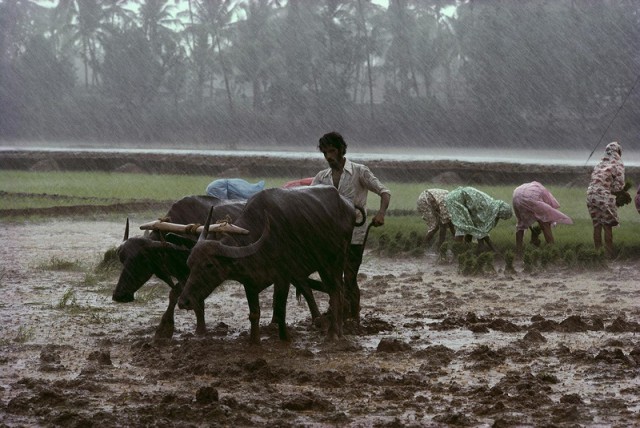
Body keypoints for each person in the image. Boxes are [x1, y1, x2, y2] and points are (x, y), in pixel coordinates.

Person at [311, 131, 391, 322]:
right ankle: (336, 310)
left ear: (340, 151)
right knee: (332, 276)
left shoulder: (359, 171)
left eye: (332, 151)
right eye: (325, 153)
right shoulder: (322, 177)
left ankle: (354, 316)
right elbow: (308, 199)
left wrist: (380, 214)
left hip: (355, 232)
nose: (329, 157)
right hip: (330, 235)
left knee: (350, 276)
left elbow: (384, 192)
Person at [444, 186, 513, 252]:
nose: (499, 218)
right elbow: (480, 229)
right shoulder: (487, 209)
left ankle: (465, 248)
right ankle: (452, 252)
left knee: (469, 225)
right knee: (462, 227)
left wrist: (485, 245)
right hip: (455, 200)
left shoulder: (492, 205)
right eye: (501, 216)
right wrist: (492, 248)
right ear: (501, 212)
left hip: (458, 198)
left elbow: (477, 228)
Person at [512, 181, 573, 255]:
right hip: (530, 197)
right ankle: (552, 248)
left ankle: (519, 250)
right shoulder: (544, 192)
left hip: (516, 196)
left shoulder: (535, 187)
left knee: (521, 224)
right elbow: (546, 211)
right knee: (545, 223)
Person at [586, 141, 625, 258]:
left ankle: (598, 254)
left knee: (597, 225)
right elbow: (618, 187)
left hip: (590, 195)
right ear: (618, 152)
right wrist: (622, 195)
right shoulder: (617, 164)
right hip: (603, 196)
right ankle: (609, 256)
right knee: (607, 226)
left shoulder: (599, 164)